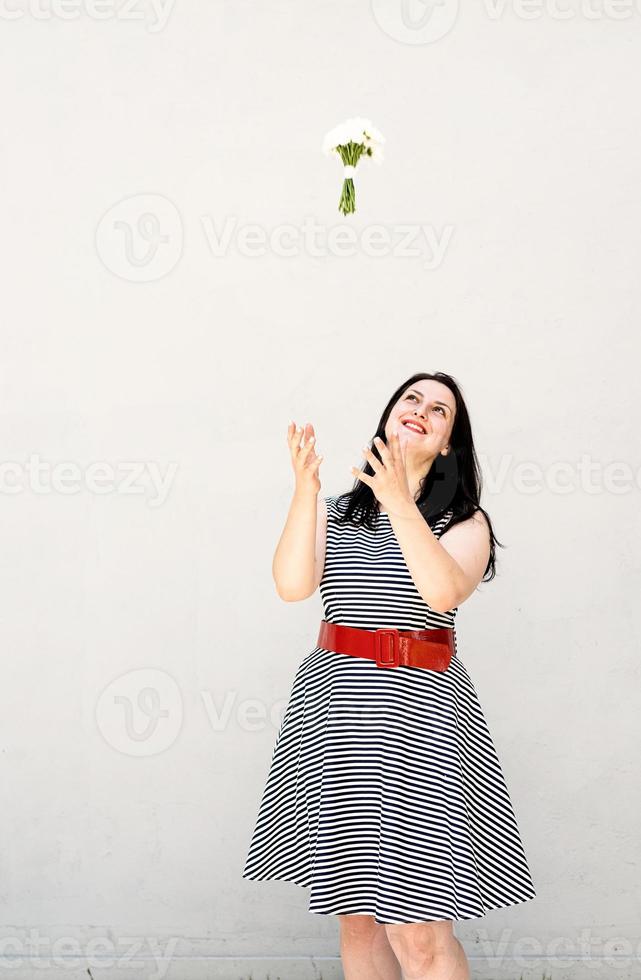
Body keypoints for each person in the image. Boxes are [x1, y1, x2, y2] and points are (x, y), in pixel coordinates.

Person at [242, 371, 537, 980]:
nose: (422, 411)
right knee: (359, 924)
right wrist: (305, 489)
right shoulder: (335, 512)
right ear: (389, 416)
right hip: (331, 717)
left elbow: (440, 592)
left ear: (449, 443)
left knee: (420, 932)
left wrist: (401, 501)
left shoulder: (465, 522)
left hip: (420, 716)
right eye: (412, 400)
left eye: (440, 410)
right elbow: (291, 585)